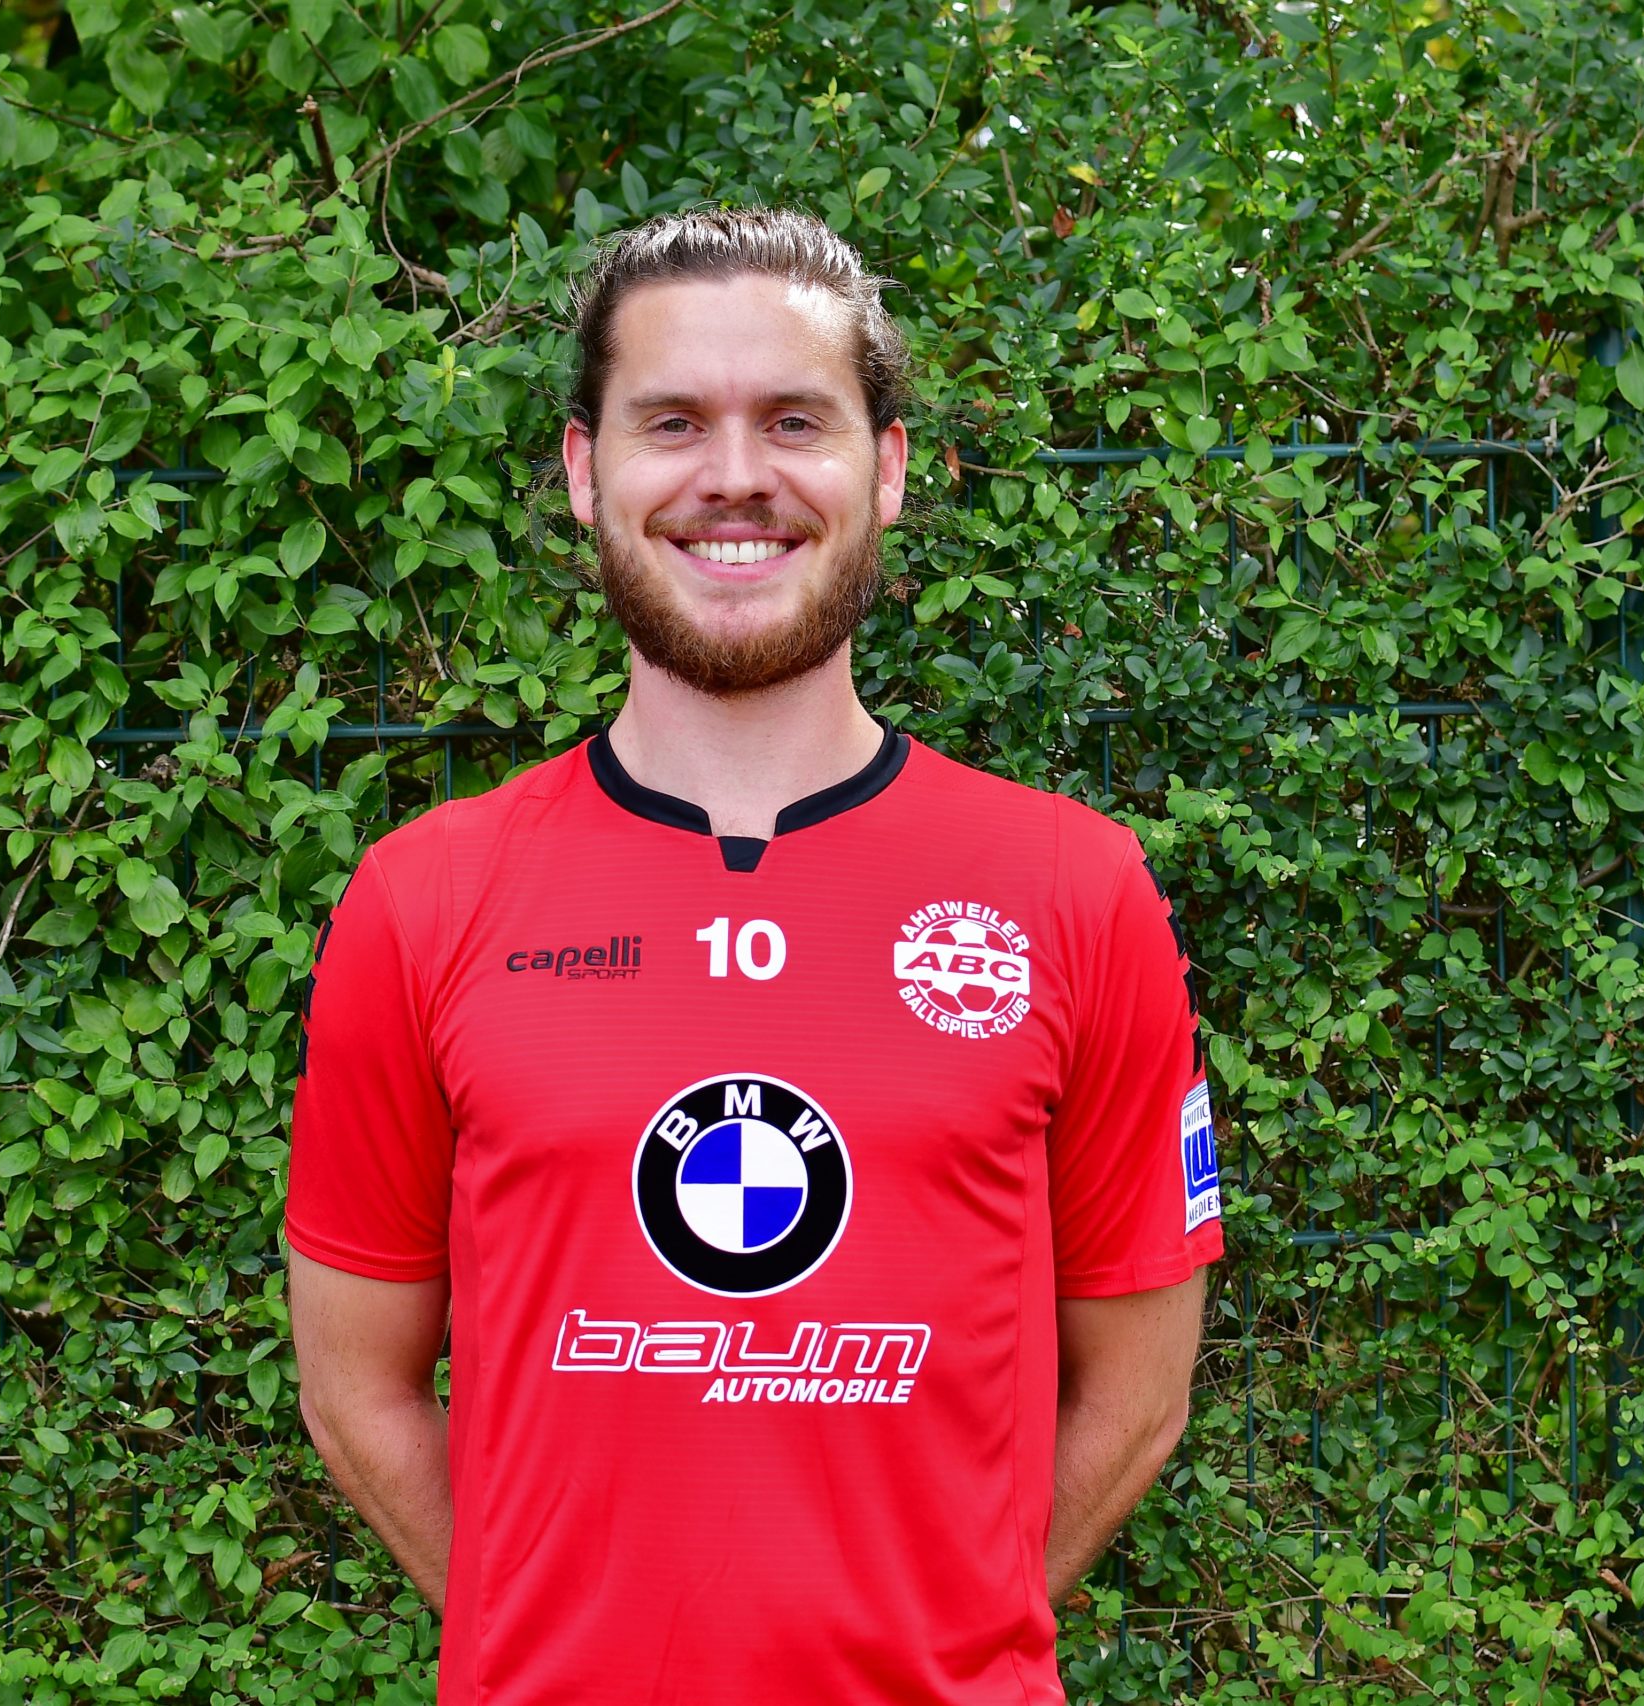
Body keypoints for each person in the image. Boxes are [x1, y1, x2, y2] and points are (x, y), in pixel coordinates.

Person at [284, 205, 1223, 1705]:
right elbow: (354, 1386)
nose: (735, 475)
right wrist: (555, 1646)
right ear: (586, 470)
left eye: (795, 420)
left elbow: (1139, 1392)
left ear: (887, 468)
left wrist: (944, 1641)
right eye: (673, 422)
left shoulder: (1072, 891)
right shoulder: (424, 901)